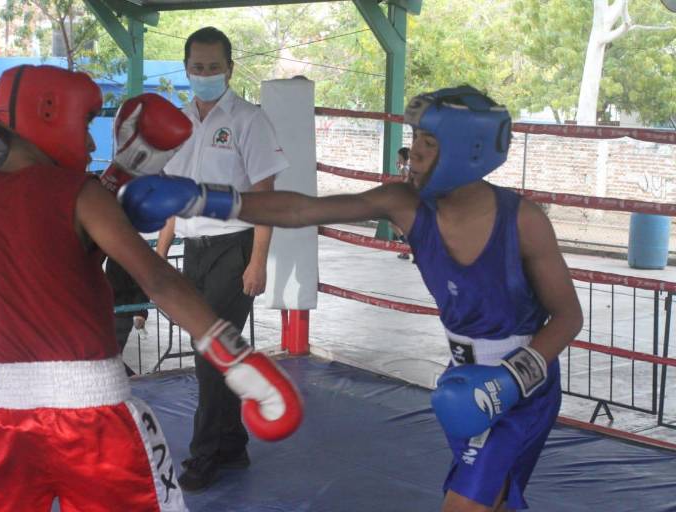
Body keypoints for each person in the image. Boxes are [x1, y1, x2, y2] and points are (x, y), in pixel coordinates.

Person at [120, 85, 584, 511]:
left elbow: (568, 316)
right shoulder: (404, 203)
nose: (413, 156)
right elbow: (306, 209)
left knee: (466, 500)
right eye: (415, 141)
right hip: (461, 380)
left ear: (468, 151)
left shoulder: (523, 221)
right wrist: (203, 199)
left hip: (525, 386)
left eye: (427, 145)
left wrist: (511, 378)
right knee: (494, 497)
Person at [0, 64, 302, 512]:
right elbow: (158, 278)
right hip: (92, 412)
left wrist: (121, 175)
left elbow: (51, 243)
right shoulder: (82, 194)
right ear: (50, 113)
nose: (91, 142)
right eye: (85, 125)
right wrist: (238, 357)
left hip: (2, 411)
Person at [153, 26, 290, 493]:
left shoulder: (250, 120)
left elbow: (266, 195)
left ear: (230, 68)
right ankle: (232, 444)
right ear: (186, 67)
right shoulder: (176, 122)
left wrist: (258, 262)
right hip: (194, 249)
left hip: (235, 246)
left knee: (210, 352)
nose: (205, 74)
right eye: (198, 67)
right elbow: (173, 193)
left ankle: (204, 454)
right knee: (216, 349)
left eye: (214, 67)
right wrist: (160, 250)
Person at [105, 256, 149, 376]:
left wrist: (139, 312)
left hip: (120, 313)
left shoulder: (121, 254)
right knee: (108, 358)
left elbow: (140, 284)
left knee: (109, 358)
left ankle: (134, 380)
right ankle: (134, 380)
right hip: (108, 311)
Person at [394, 146, 412, 260]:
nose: (397, 158)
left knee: (394, 224)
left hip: (405, 201)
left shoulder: (405, 169)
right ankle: (406, 250)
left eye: (399, 156)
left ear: (402, 156)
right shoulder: (410, 167)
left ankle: (407, 248)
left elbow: (403, 184)